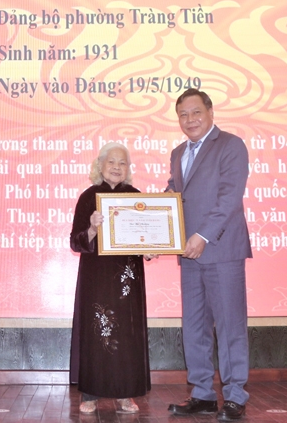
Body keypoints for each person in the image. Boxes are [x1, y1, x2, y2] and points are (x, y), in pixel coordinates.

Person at [165, 89, 252, 421]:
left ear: (211, 112)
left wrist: (202, 236)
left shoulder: (231, 145)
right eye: (183, 115)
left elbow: (230, 197)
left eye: (196, 112)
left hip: (221, 249)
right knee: (194, 326)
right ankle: (202, 394)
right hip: (190, 254)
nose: (190, 120)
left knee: (230, 325)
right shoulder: (178, 152)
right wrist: (155, 233)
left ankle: (235, 395)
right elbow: (174, 195)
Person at [69, 142, 150, 414]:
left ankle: (125, 394)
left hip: (128, 278)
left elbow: (146, 237)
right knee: (96, 333)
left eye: (122, 163)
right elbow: (75, 242)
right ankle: (90, 395)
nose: (117, 167)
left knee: (128, 334)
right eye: (111, 162)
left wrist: (151, 248)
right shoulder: (88, 197)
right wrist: (92, 228)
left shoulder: (136, 196)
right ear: (100, 165)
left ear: (128, 168)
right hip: (97, 277)